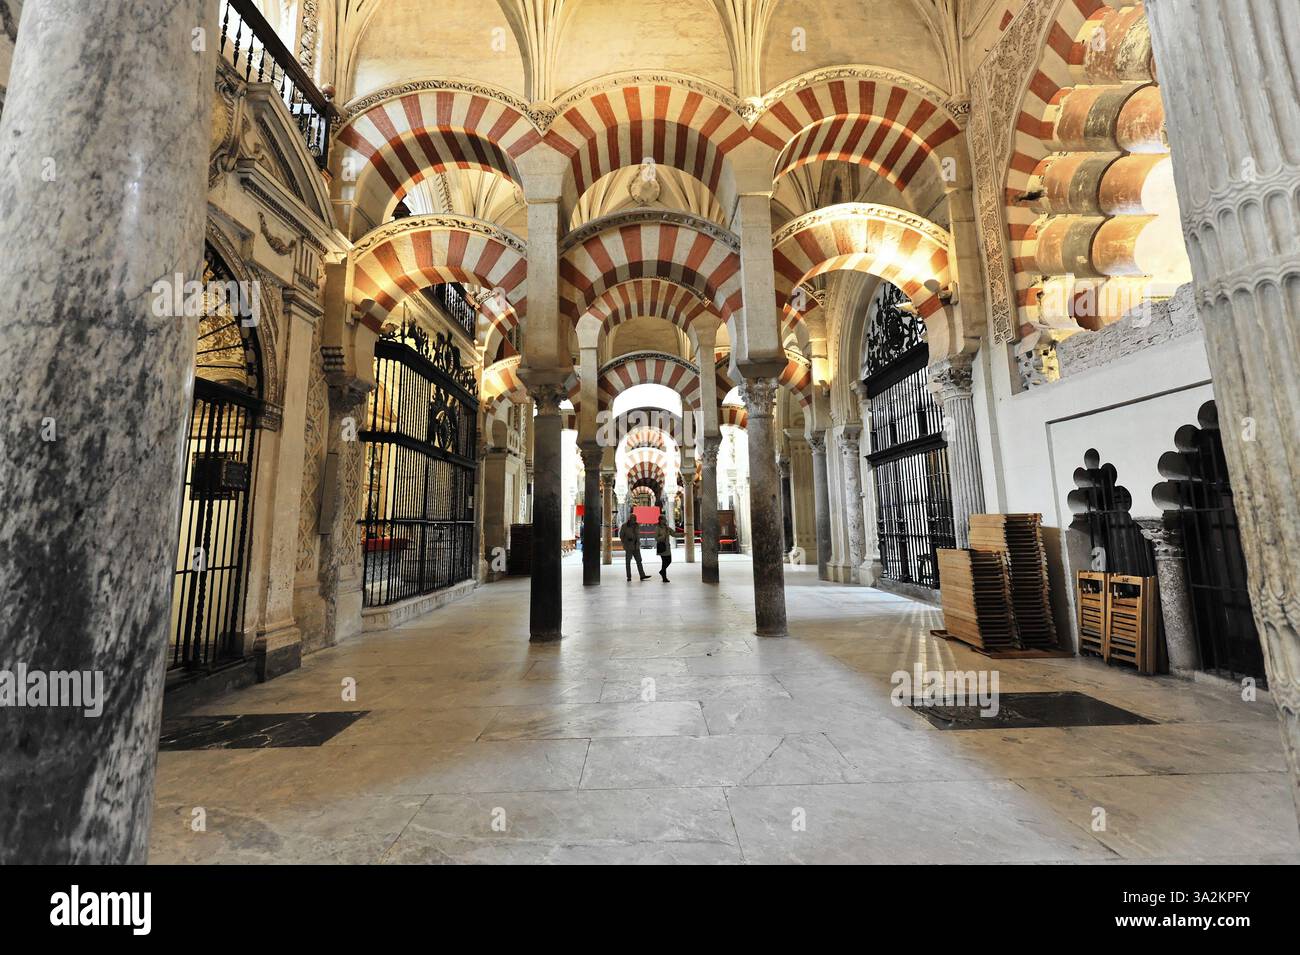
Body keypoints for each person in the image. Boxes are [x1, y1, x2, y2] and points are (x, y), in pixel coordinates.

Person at [620, 515, 650, 581]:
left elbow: (637, 535)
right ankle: (629, 576)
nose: (634, 520)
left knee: (639, 561)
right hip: (629, 546)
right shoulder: (624, 526)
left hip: (636, 546)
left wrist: (638, 542)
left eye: (635, 518)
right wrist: (625, 542)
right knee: (628, 562)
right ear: (629, 519)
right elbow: (621, 536)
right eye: (633, 518)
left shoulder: (637, 525)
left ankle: (642, 575)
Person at [655, 515, 673, 582]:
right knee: (664, 562)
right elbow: (656, 538)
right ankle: (664, 578)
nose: (665, 520)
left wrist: (682, 534)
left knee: (669, 560)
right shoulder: (657, 528)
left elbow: (673, 533)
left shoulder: (667, 528)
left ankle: (662, 571)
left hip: (667, 547)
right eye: (664, 519)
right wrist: (662, 536)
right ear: (660, 520)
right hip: (662, 547)